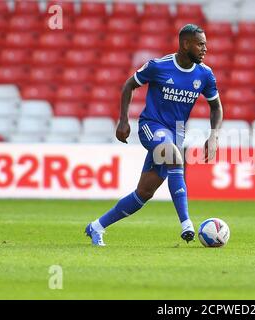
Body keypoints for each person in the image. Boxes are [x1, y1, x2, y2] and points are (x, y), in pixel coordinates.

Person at [85, 24, 223, 246]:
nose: (205, 49)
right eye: (200, 44)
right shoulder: (159, 66)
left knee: (144, 192)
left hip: (176, 134)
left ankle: (96, 227)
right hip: (152, 126)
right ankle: (186, 223)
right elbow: (129, 85)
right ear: (185, 44)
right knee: (175, 156)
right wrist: (123, 120)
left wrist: (214, 136)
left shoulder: (205, 75)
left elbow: (216, 107)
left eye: (205, 44)